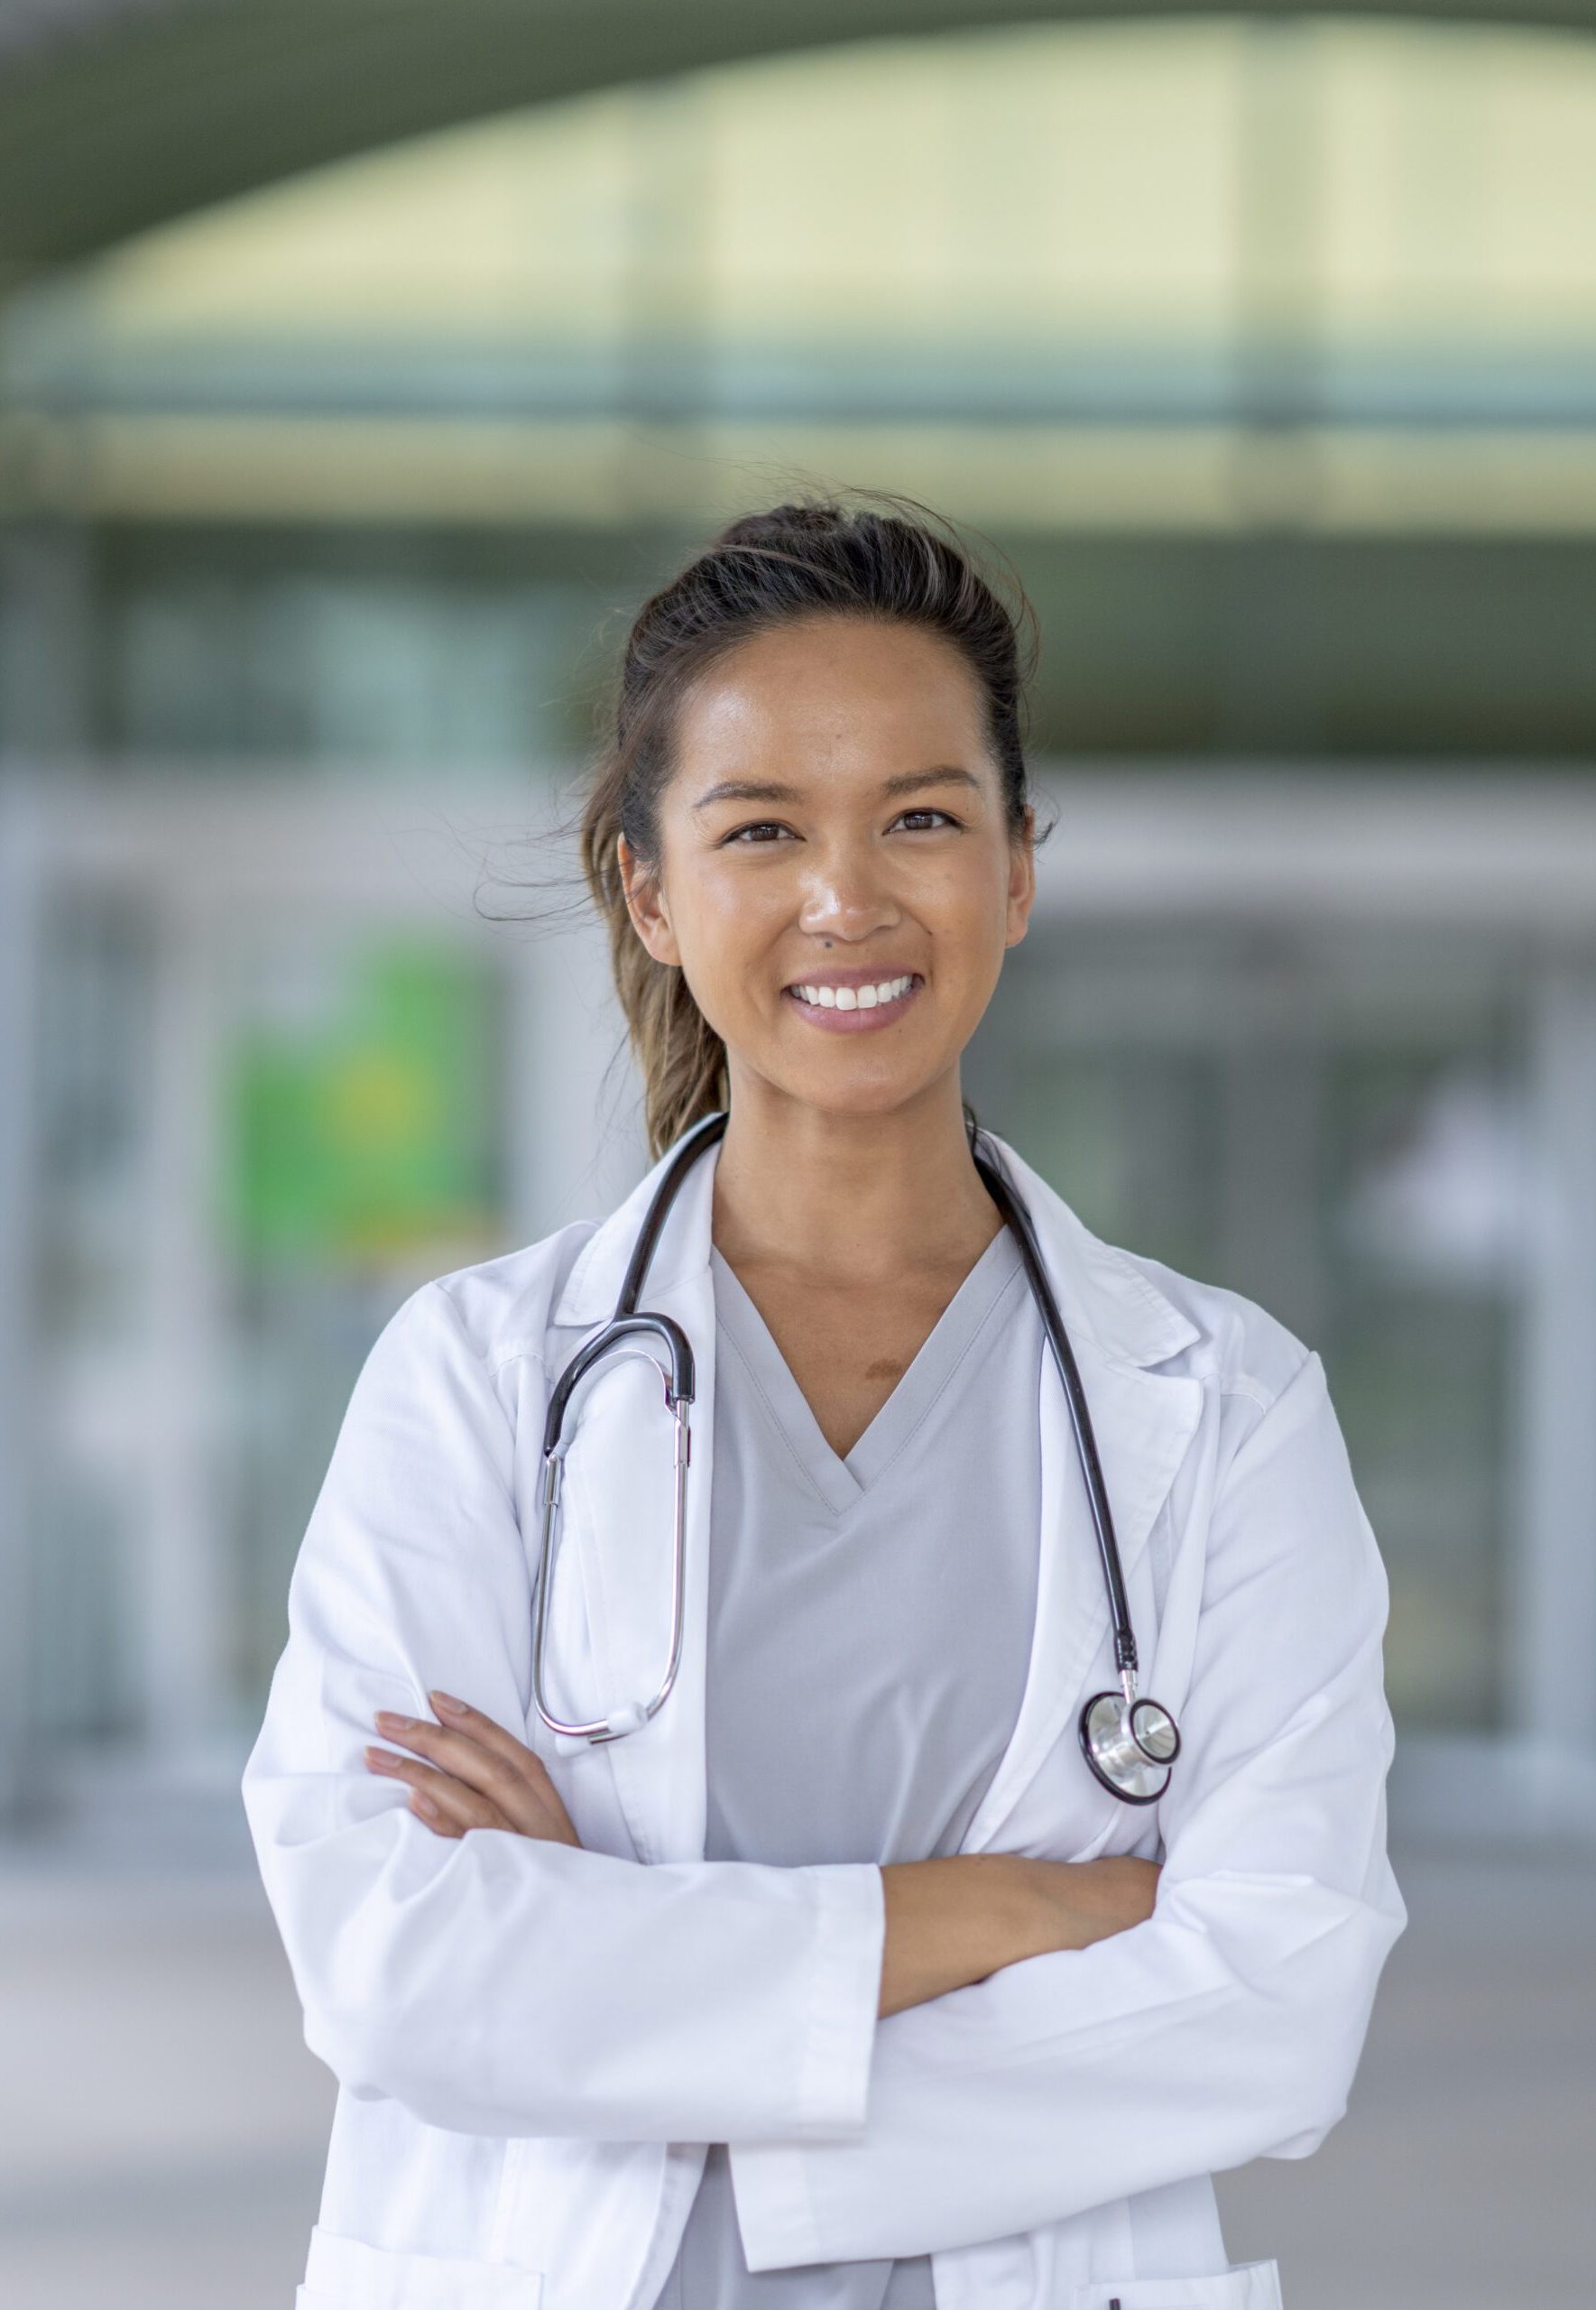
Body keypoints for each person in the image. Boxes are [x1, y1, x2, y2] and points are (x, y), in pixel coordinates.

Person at [241, 493, 1407, 2310]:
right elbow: (396, 1966)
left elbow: (1274, 1999)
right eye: (760, 826)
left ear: (1016, 867)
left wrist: (632, 1995)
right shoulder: (478, 1376)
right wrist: (1001, 1912)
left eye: (921, 818)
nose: (844, 898)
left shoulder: (1223, 1405)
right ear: (649, 885)